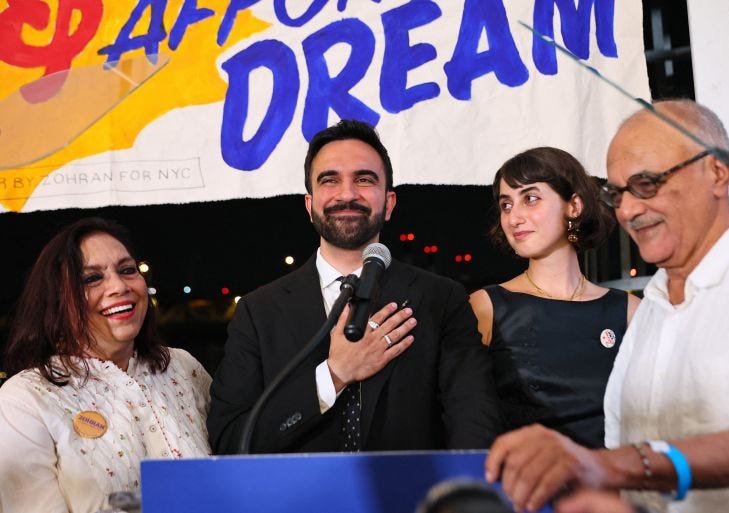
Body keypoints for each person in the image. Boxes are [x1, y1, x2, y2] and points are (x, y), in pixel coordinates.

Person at [483, 99, 729, 513]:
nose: (630, 210)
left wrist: (619, 466)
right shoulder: (650, 312)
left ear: (717, 173)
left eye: (647, 184)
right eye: (617, 193)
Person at [207, 119, 501, 454]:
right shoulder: (258, 311)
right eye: (330, 180)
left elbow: (474, 423)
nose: (347, 194)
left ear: (389, 203)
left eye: (364, 179)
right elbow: (230, 440)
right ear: (310, 205)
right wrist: (333, 374)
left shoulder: (441, 299)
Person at [0, 217, 211, 513]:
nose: (119, 286)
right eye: (91, 278)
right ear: (56, 301)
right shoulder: (24, 399)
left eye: (127, 270)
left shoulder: (183, 369)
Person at [469, 147, 639, 448]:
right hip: (524, 487)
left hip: (611, 484)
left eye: (530, 199)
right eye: (506, 205)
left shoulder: (628, 310)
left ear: (574, 205)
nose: (514, 217)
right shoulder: (486, 306)